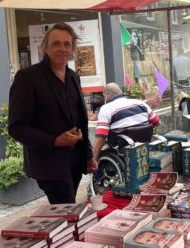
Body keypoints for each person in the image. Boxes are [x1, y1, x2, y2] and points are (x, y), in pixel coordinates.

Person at [9, 23, 97, 204]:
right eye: (56, 43)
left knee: (67, 213)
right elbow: (16, 128)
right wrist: (55, 141)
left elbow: (79, 120)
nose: (62, 49)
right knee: (66, 212)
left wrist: (87, 156)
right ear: (45, 47)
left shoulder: (73, 76)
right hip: (49, 164)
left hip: (74, 162)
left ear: (73, 48)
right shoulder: (28, 77)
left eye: (67, 44)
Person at [93, 82, 160, 159]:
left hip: (122, 151)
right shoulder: (140, 103)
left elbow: (101, 136)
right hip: (143, 148)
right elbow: (157, 123)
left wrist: (94, 158)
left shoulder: (106, 108)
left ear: (106, 96)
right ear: (120, 92)